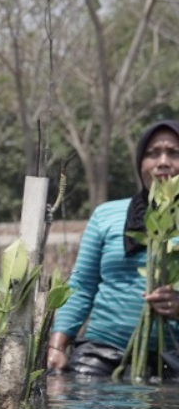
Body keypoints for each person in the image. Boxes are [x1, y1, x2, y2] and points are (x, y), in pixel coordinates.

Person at [47, 119, 179, 377]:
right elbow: (82, 286)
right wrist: (57, 347)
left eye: (174, 153)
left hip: (172, 357)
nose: (163, 162)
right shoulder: (105, 215)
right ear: (140, 163)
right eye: (152, 154)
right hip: (102, 353)